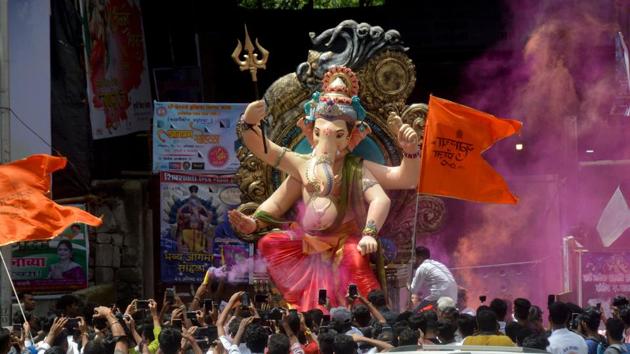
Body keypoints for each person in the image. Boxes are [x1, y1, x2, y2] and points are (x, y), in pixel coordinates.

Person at [229, 66, 420, 310]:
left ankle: (372, 315)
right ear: (311, 131)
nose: (327, 143)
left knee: (354, 256)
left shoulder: (356, 168)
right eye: (320, 133)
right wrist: (249, 123)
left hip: (344, 243)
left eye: (338, 135)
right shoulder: (302, 164)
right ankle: (303, 309)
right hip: (306, 243)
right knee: (269, 243)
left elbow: (402, 181)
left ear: (352, 137)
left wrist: (410, 150)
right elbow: (276, 196)